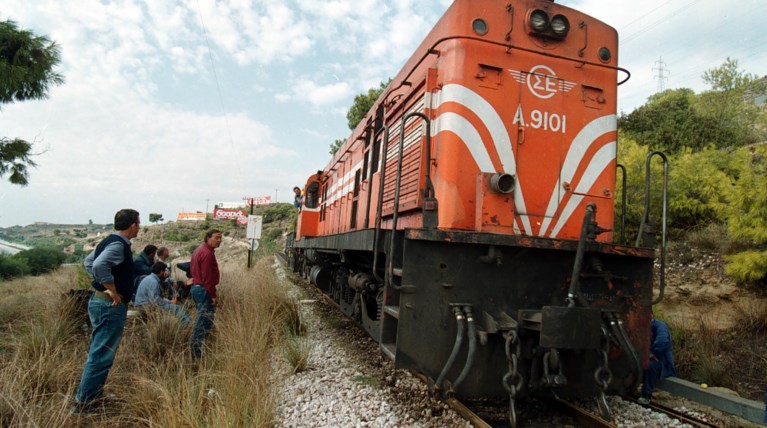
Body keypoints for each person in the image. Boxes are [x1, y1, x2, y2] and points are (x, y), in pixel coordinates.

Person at [72, 208, 140, 414]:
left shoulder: (109, 241)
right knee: (101, 355)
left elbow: (88, 262)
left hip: (101, 303)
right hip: (109, 306)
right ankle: (84, 403)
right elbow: (99, 265)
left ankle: (92, 396)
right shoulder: (119, 245)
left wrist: (102, 286)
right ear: (133, 225)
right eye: (138, 223)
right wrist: (111, 290)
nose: (139, 227)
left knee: (100, 353)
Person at [189, 229, 222, 358]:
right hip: (204, 290)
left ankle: (198, 350)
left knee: (201, 319)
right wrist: (213, 294)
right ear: (208, 238)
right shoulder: (207, 253)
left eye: (220, 238)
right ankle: (197, 353)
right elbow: (207, 277)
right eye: (216, 237)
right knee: (204, 321)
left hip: (197, 288)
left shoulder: (199, 250)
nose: (219, 240)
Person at [639, 314, 678, 404]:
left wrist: (652, 353)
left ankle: (646, 395)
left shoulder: (660, 326)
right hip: (648, 357)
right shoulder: (643, 326)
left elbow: (663, 340)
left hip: (662, 361)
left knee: (650, 366)